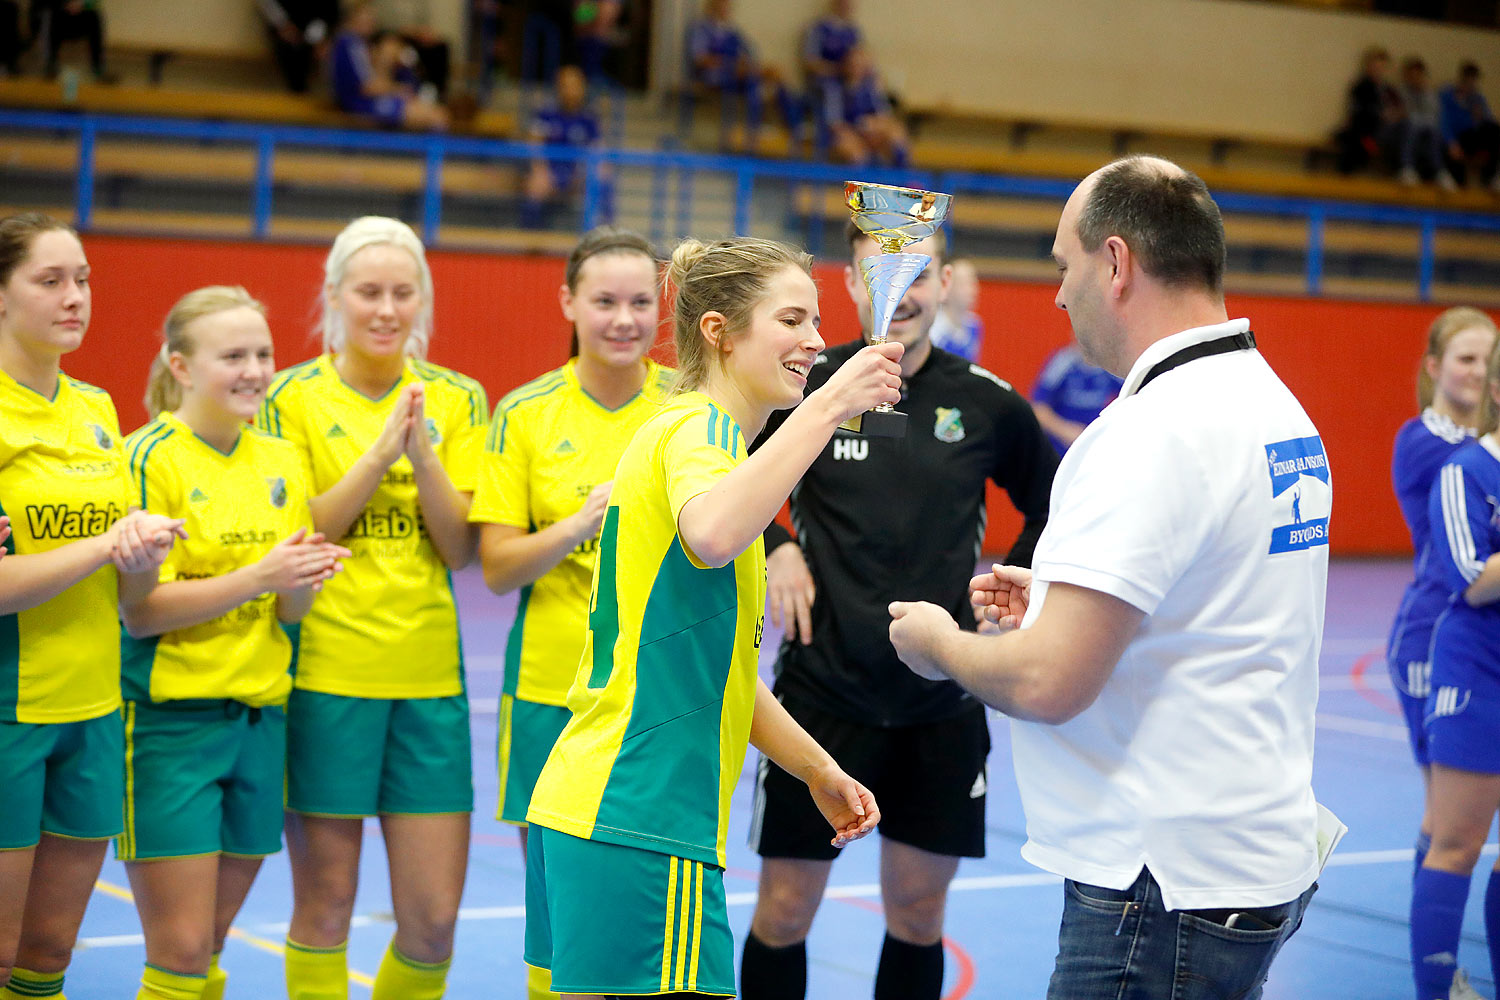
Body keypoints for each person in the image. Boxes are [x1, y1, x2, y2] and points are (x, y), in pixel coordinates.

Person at [887, 156, 1330, 999]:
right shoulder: (1271, 403)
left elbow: (1051, 681)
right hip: (1242, 856)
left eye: (1064, 265)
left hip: (1158, 888)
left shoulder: (1152, 430)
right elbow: (1208, 600)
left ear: (1117, 264)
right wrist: (1058, 596)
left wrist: (940, 643)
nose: (1058, 294)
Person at [523, 236, 894, 998]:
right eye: (792, 319)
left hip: (595, 810)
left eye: (818, 320)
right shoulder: (701, 433)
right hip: (643, 818)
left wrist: (816, 769)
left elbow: (716, 668)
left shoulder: (695, 438)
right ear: (718, 331)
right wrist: (828, 406)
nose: (818, 341)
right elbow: (713, 533)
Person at [739, 223, 1056, 1000]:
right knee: (783, 910)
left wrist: (1016, 579)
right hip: (819, 701)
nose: (903, 294)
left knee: (917, 914)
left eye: (921, 275)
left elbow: (1056, 502)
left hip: (940, 706)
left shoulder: (987, 406)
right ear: (850, 284)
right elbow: (726, 472)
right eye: (885, 276)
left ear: (945, 284)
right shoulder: (807, 387)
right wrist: (776, 542)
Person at [255, 216, 489, 1000]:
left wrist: (421, 454)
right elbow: (300, 534)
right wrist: (379, 453)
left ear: (422, 298)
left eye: (402, 292)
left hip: (429, 683)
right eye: (369, 293)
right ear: (334, 297)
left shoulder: (456, 398)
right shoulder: (288, 396)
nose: (386, 309)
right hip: (327, 677)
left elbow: (460, 550)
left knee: (432, 925)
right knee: (325, 908)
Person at [117, 287, 349, 1000]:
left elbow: (288, 610)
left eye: (263, 355)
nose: (254, 370)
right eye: (233, 356)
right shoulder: (148, 457)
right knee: (181, 950)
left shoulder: (280, 457)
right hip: (169, 725)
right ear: (180, 367)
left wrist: (302, 578)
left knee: (208, 942)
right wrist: (261, 575)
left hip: (259, 722)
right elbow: (141, 613)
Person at [469, 226, 671, 1000]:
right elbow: (495, 568)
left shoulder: (686, 410)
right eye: (605, 301)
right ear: (569, 303)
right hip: (551, 690)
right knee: (556, 899)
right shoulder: (524, 414)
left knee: (650, 893)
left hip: (654, 696)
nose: (624, 319)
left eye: (640, 302)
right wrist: (581, 525)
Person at [0, 212, 185, 1000]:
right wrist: (106, 545)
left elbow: (126, 593)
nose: (74, 297)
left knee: (47, 951)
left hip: (95, 710)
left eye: (82, 280)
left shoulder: (99, 410)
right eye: (50, 280)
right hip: (12, 710)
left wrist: (141, 556)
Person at [1387, 308, 1498, 888]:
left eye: (1488, 360)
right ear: (1435, 367)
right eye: (1465, 359)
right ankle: (1438, 967)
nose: (1478, 372)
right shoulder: (1427, 442)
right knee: (1447, 813)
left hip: (1483, 634)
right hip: (1433, 635)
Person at [1409, 335, 1500, 1000]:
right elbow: (1471, 577)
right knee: (1457, 842)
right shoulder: (1466, 469)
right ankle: (1436, 991)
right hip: (1477, 671)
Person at [330, 2, 448, 130]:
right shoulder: (350, 43)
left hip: (368, 99)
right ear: (354, 19)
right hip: (359, 104)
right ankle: (429, 150)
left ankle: (422, 148)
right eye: (367, 18)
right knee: (436, 116)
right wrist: (397, 89)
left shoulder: (361, 44)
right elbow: (366, 86)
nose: (372, 23)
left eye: (372, 19)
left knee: (436, 112)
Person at [522, 64, 602, 229]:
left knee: (602, 182)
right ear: (558, 87)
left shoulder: (589, 118)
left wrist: (588, 173)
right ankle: (530, 241)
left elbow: (598, 150)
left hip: (576, 171)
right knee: (535, 186)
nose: (570, 90)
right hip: (549, 169)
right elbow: (534, 144)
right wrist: (540, 170)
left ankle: (600, 240)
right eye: (565, 85)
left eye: (575, 85)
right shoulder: (546, 113)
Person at [684, 0, 763, 151]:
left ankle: (752, 139)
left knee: (754, 82)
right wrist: (728, 64)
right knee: (731, 82)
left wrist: (745, 65)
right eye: (722, 5)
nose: (725, 9)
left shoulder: (732, 31)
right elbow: (699, 59)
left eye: (728, 6)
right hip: (710, 76)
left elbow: (749, 54)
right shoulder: (700, 28)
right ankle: (726, 141)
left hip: (733, 75)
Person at [1029, 343, 1124, 455]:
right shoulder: (1062, 362)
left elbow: (1135, 395)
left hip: (1097, 448)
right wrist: (1066, 431)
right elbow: (1038, 408)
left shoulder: (1109, 364)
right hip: (1062, 451)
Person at [825, 45, 907, 168]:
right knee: (853, 148)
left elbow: (884, 115)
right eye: (853, 64)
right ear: (846, 66)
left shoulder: (872, 88)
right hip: (848, 133)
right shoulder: (835, 89)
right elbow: (834, 122)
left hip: (870, 131)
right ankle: (862, 184)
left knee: (896, 131)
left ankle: (905, 178)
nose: (856, 68)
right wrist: (856, 130)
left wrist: (873, 125)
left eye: (860, 65)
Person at [1337, 45, 1403, 175]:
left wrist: (1393, 115)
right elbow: (1357, 111)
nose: (1377, 71)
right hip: (1365, 128)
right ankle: (1350, 167)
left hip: (1385, 130)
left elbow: (1400, 109)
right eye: (1374, 67)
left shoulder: (1389, 90)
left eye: (1380, 68)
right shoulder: (1361, 86)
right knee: (1355, 135)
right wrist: (1379, 114)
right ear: (1368, 66)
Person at [1398, 57, 1458, 190]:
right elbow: (1405, 115)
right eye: (1411, 76)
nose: (1415, 79)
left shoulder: (1430, 94)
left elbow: (1434, 118)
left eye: (1417, 76)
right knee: (1411, 126)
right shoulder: (1401, 92)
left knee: (1434, 132)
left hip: (1427, 133)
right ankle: (1407, 168)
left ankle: (1440, 172)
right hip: (1409, 132)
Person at [1440, 62, 1500, 193]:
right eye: (1469, 79)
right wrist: (1451, 143)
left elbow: (1489, 123)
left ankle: (1492, 177)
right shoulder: (1447, 95)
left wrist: (1479, 117)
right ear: (1462, 78)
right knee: (1448, 152)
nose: (1471, 83)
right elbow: (1442, 121)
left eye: (1474, 80)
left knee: (1494, 130)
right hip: (1452, 139)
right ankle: (1450, 178)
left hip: (1471, 137)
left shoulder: (1477, 98)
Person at [256, 0, 340, 94]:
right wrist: (283, 25)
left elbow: (330, 12)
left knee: (331, 51)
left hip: (319, 28)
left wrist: (318, 39)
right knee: (291, 51)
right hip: (285, 27)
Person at [927, 258, 982, 362]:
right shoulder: (933, 330)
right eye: (963, 284)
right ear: (945, 285)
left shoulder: (974, 324)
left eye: (973, 282)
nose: (971, 290)